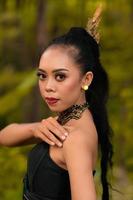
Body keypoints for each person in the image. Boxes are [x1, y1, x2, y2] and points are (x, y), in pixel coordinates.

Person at [0, 10, 113, 200]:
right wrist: (36, 129)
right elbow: (3, 137)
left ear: (86, 79)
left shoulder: (74, 138)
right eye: (42, 76)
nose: (48, 87)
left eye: (60, 76)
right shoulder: (68, 119)